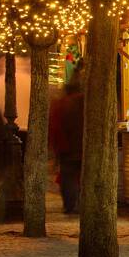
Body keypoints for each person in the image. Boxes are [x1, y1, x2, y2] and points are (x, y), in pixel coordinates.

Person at [49, 79, 84, 214]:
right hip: (83, 147)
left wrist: (57, 148)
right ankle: (81, 203)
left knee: (68, 177)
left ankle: (70, 206)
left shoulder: (61, 105)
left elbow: (55, 127)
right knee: (81, 176)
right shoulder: (85, 102)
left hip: (67, 149)